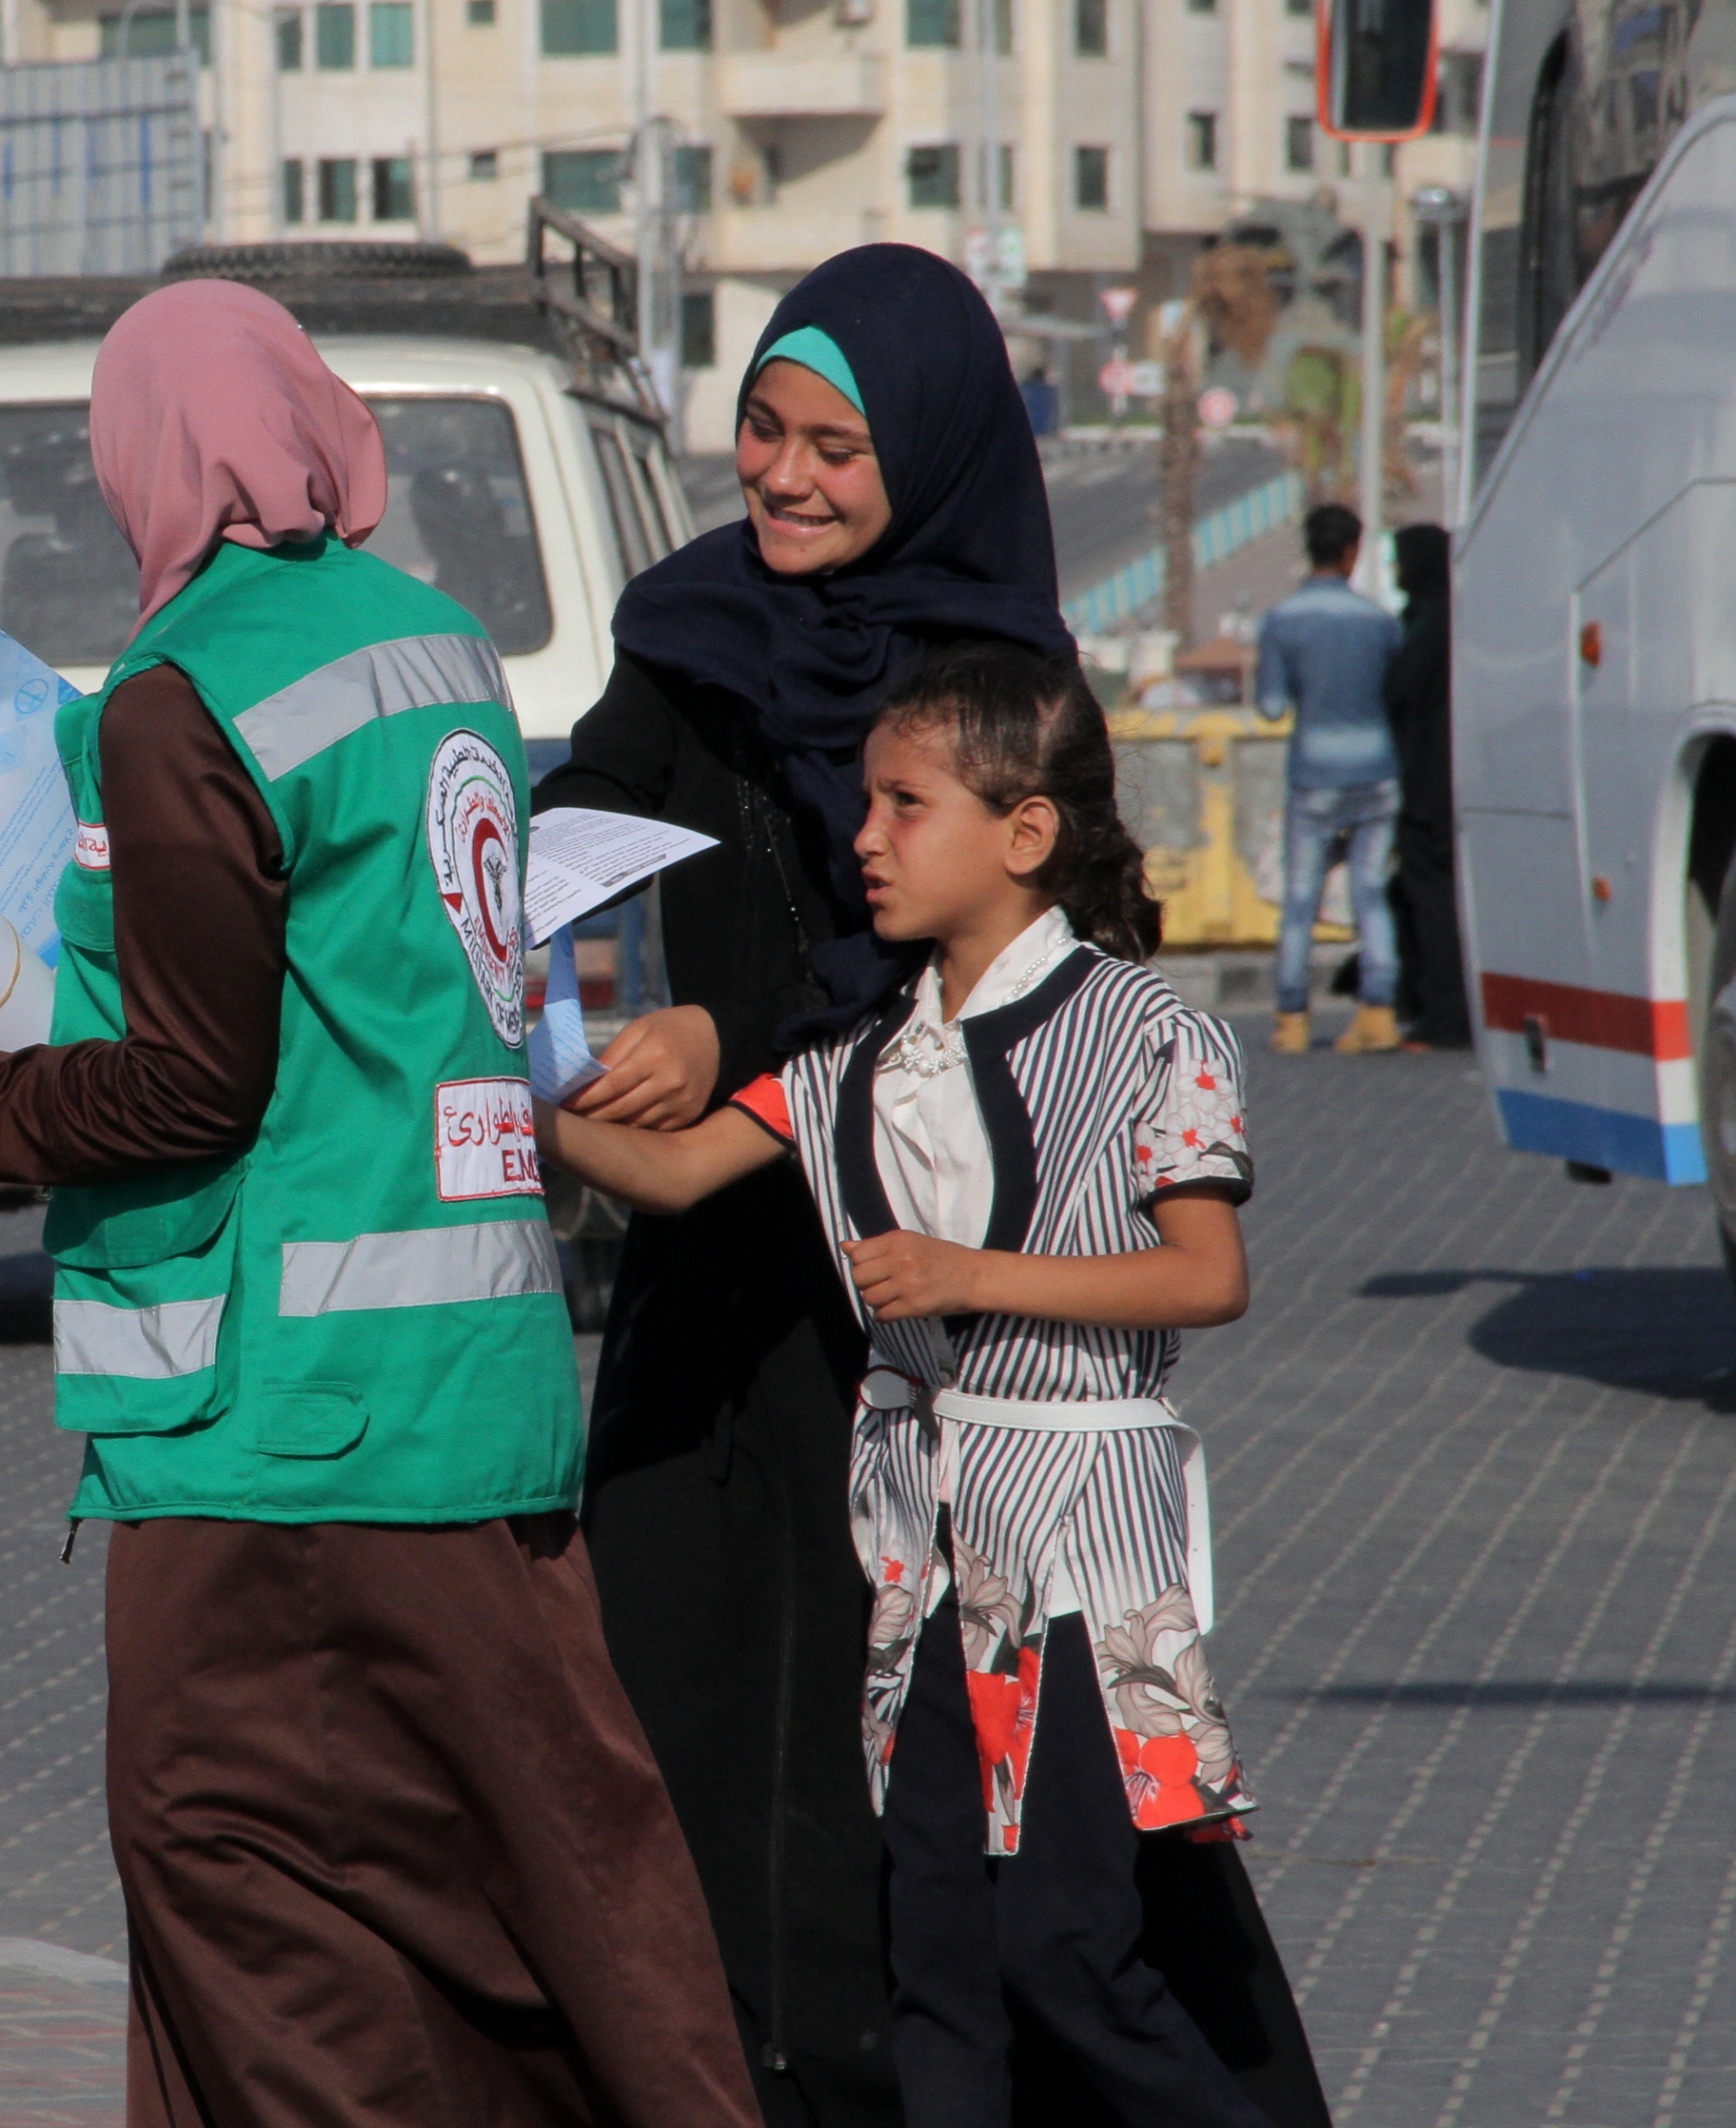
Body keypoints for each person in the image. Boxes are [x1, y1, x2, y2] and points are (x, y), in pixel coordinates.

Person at [0, 278, 760, 2128]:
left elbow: (190, 1082)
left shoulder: (178, 694)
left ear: (145, 461)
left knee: (241, 1900)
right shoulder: (439, 647)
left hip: (275, 1445)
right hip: (480, 1404)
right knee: (548, 1903)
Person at [539, 644, 1331, 2128]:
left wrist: (974, 1273)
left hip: (1082, 1558)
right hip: (919, 1565)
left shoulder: (1150, 1031)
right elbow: (673, 1168)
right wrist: (508, 1098)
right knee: (939, 1963)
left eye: (907, 805)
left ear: (1025, 833)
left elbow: (1205, 1274)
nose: (867, 838)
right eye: (867, 804)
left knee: (1069, 1950)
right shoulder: (852, 1048)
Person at [534, 244, 1078, 2127]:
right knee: (663, 1698)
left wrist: (727, 1038)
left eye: (835, 448)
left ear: (921, 455)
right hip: (703, 1295)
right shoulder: (694, 623)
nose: (782, 474)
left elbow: (952, 968)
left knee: (888, 1762)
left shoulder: (999, 686)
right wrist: (520, 905)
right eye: (761, 428)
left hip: (902, 1293)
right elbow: (588, 799)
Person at [1253, 506, 1402, 1054]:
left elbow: (1271, 707)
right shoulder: (1380, 623)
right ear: (1351, 552)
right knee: (1370, 892)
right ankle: (1379, 1012)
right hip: (1378, 771)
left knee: (1300, 897)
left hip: (1314, 774)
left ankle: (1292, 1018)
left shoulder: (1282, 621)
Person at [1381, 524, 1467, 1050]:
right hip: (1445, 781)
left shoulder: (1433, 623)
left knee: (1433, 900)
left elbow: (1400, 690)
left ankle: (1444, 1013)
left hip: (1431, 788)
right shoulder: (1453, 616)